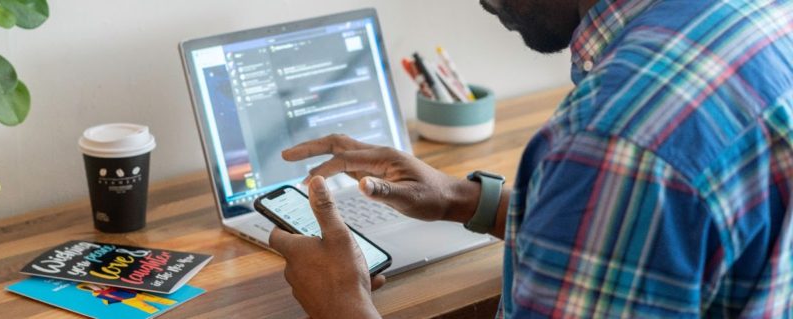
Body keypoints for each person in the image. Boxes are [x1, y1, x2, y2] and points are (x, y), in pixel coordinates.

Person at [268, 0, 793, 317]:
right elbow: (661, 233)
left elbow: (626, 176)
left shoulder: (615, 141)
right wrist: (465, 200)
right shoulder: (759, 17)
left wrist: (341, 304)